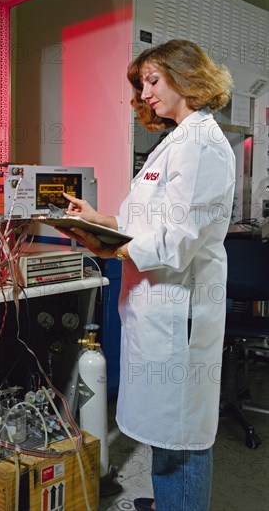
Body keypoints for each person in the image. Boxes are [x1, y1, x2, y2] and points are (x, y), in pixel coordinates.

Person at [60, 39, 235, 511]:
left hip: (180, 312)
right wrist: (101, 221)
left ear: (187, 77)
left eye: (154, 80)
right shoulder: (175, 142)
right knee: (165, 429)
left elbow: (176, 242)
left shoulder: (201, 145)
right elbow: (149, 226)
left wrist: (112, 249)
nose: (147, 92)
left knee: (180, 436)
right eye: (142, 85)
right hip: (157, 309)